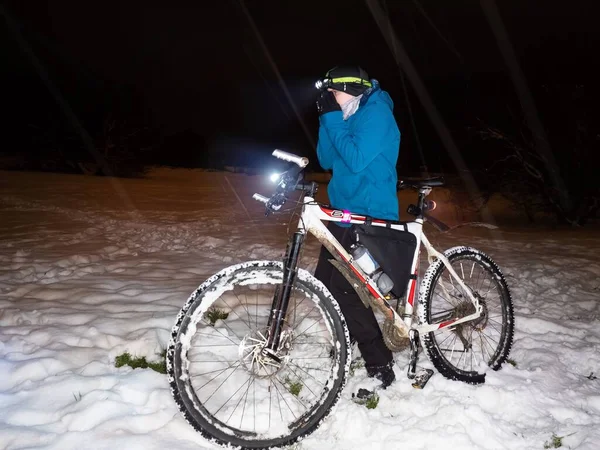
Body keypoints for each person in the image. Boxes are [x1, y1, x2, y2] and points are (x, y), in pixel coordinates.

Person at [313, 65, 401, 389]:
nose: (331, 98)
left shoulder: (377, 113)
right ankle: (345, 338)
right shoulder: (347, 114)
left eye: (333, 92)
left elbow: (355, 159)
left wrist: (333, 119)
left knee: (345, 289)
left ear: (349, 88)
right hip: (342, 213)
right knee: (324, 281)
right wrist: (327, 118)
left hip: (370, 213)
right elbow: (325, 158)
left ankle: (380, 363)